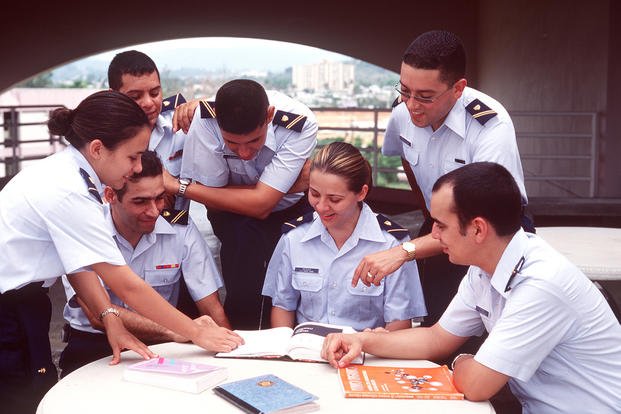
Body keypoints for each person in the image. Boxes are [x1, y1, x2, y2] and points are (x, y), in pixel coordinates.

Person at [0, 91, 242, 413]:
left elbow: (79, 264)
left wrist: (109, 316)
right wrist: (196, 332)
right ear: (98, 149)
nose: (138, 166)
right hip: (9, 309)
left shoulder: (69, 173)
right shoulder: (68, 191)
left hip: (25, 304)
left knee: (35, 390)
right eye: (133, 157)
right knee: (23, 400)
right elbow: (126, 284)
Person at [323, 162, 621, 413]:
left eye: (440, 225)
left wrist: (463, 360)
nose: (434, 235)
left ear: (478, 229)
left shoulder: (541, 284)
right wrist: (361, 341)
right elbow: (435, 338)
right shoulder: (486, 267)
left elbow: (478, 384)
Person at [354, 30, 530, 339]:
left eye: (425, 96)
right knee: (438, 323)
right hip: (443, 225)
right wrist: (430, 214)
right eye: (405, 90)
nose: (412, 105)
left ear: (458, 88)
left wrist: (404, 250)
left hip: (495, 233)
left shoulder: (490, 128)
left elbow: (481, 223)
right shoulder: (402, 112)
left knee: (494, 333)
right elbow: (406, 159)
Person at [59, 150, 231, 377]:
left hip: (161, 345)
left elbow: (211, 307)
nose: (154, 211)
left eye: (159, 198)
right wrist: (179, 331)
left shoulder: (181, 230)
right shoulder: (86, 229)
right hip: (95, 343)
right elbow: (95, 314)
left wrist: (231, 352)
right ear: (110, 195)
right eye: (140, 201)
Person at [167, 79, 318, 329]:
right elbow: (212, 199)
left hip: (289, 209)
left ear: (269, 116)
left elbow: (261, 204)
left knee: (293, 283)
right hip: (229, 212)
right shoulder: (205, 121)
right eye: (232, 144)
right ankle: (241, 346)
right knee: (243, 287)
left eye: (254, 141)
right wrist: (267, 190)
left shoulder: (298, 124)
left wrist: (182, 186)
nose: (244, 153)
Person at [262, 142, 426, 332]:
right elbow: (283, 307)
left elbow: (399, 324)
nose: (321, 206)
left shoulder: (392, 245)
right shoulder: (293, 238)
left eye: (334, 199)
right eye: (314, 194)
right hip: (305, 352)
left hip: (366, 355)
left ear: (361, 193)